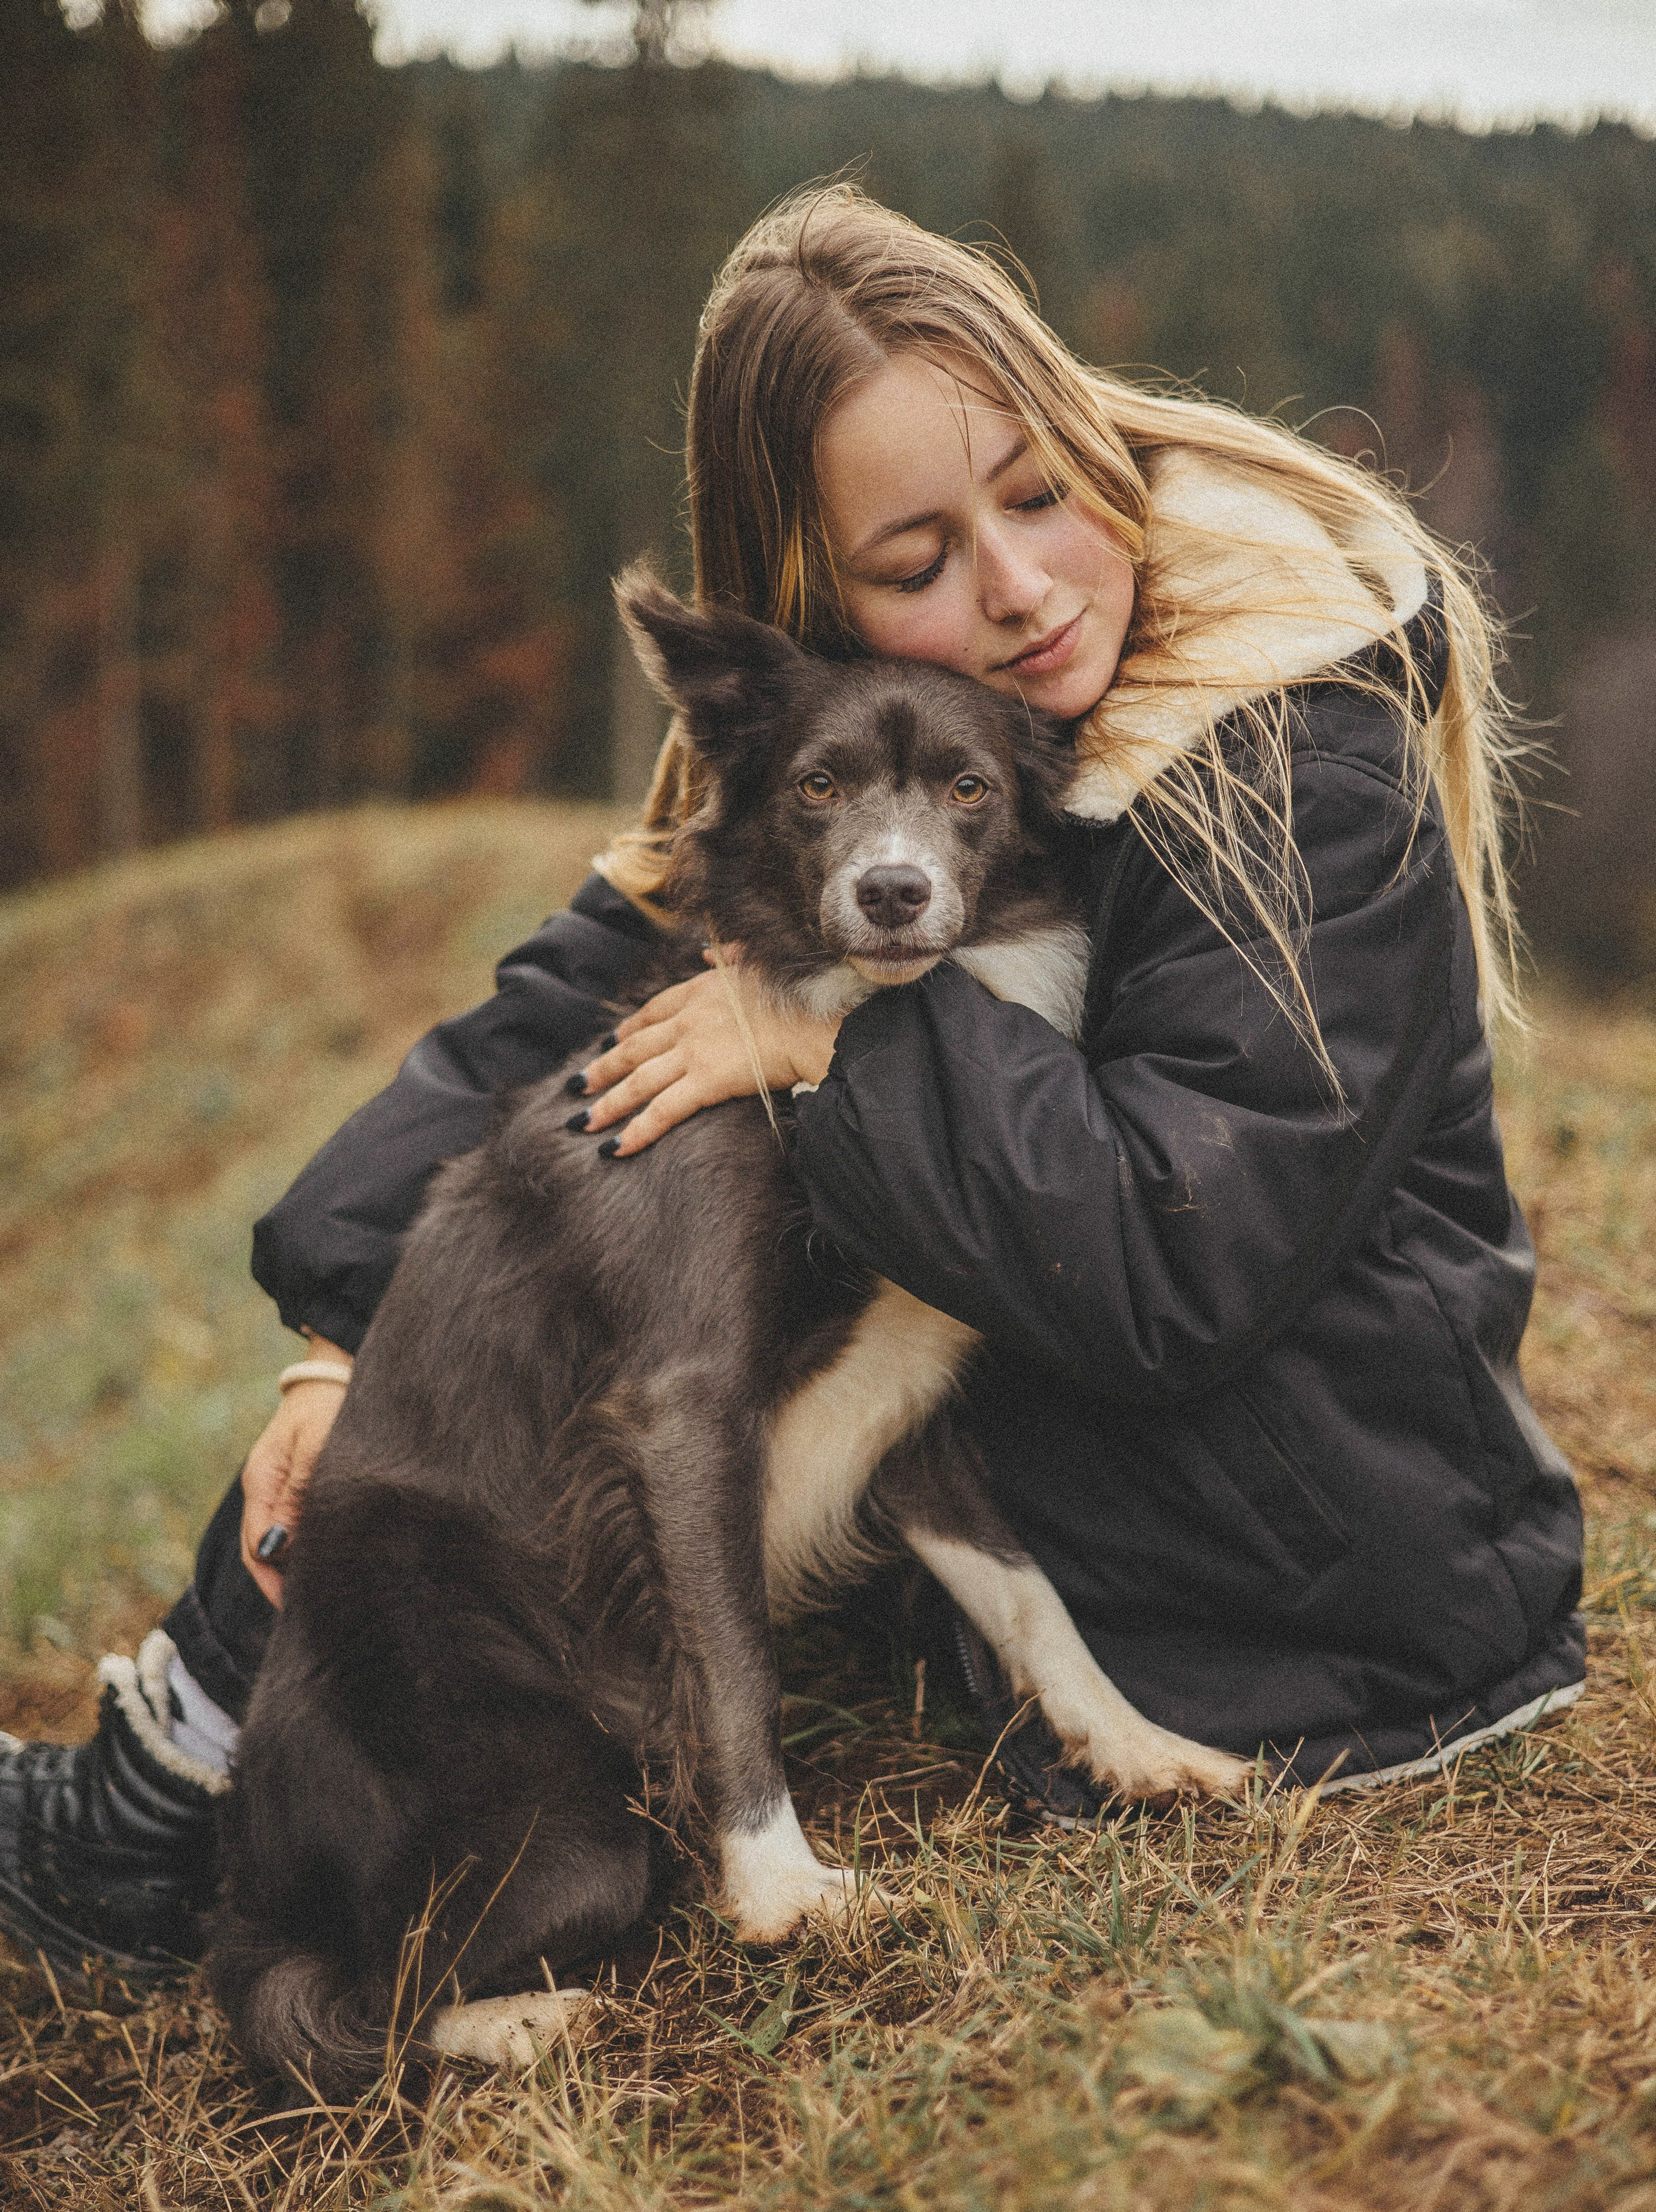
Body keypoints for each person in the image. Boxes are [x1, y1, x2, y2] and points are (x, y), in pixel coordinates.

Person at [0, 185, 1584, 1984]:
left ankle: (201, 1815)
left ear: (1088, 437)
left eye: (1041, 489)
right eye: (916, 562)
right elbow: (575, 1018)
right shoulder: (875, 751)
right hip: (1101, 1496)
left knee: (608, 1306)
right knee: (498, 1296)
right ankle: (175, 1788)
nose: (1017, 583)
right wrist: (336, 1330)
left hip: (1318, 1596)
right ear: (821, 607)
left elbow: (1174, 1265)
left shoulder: (1294, 754)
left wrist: (830, 1033)